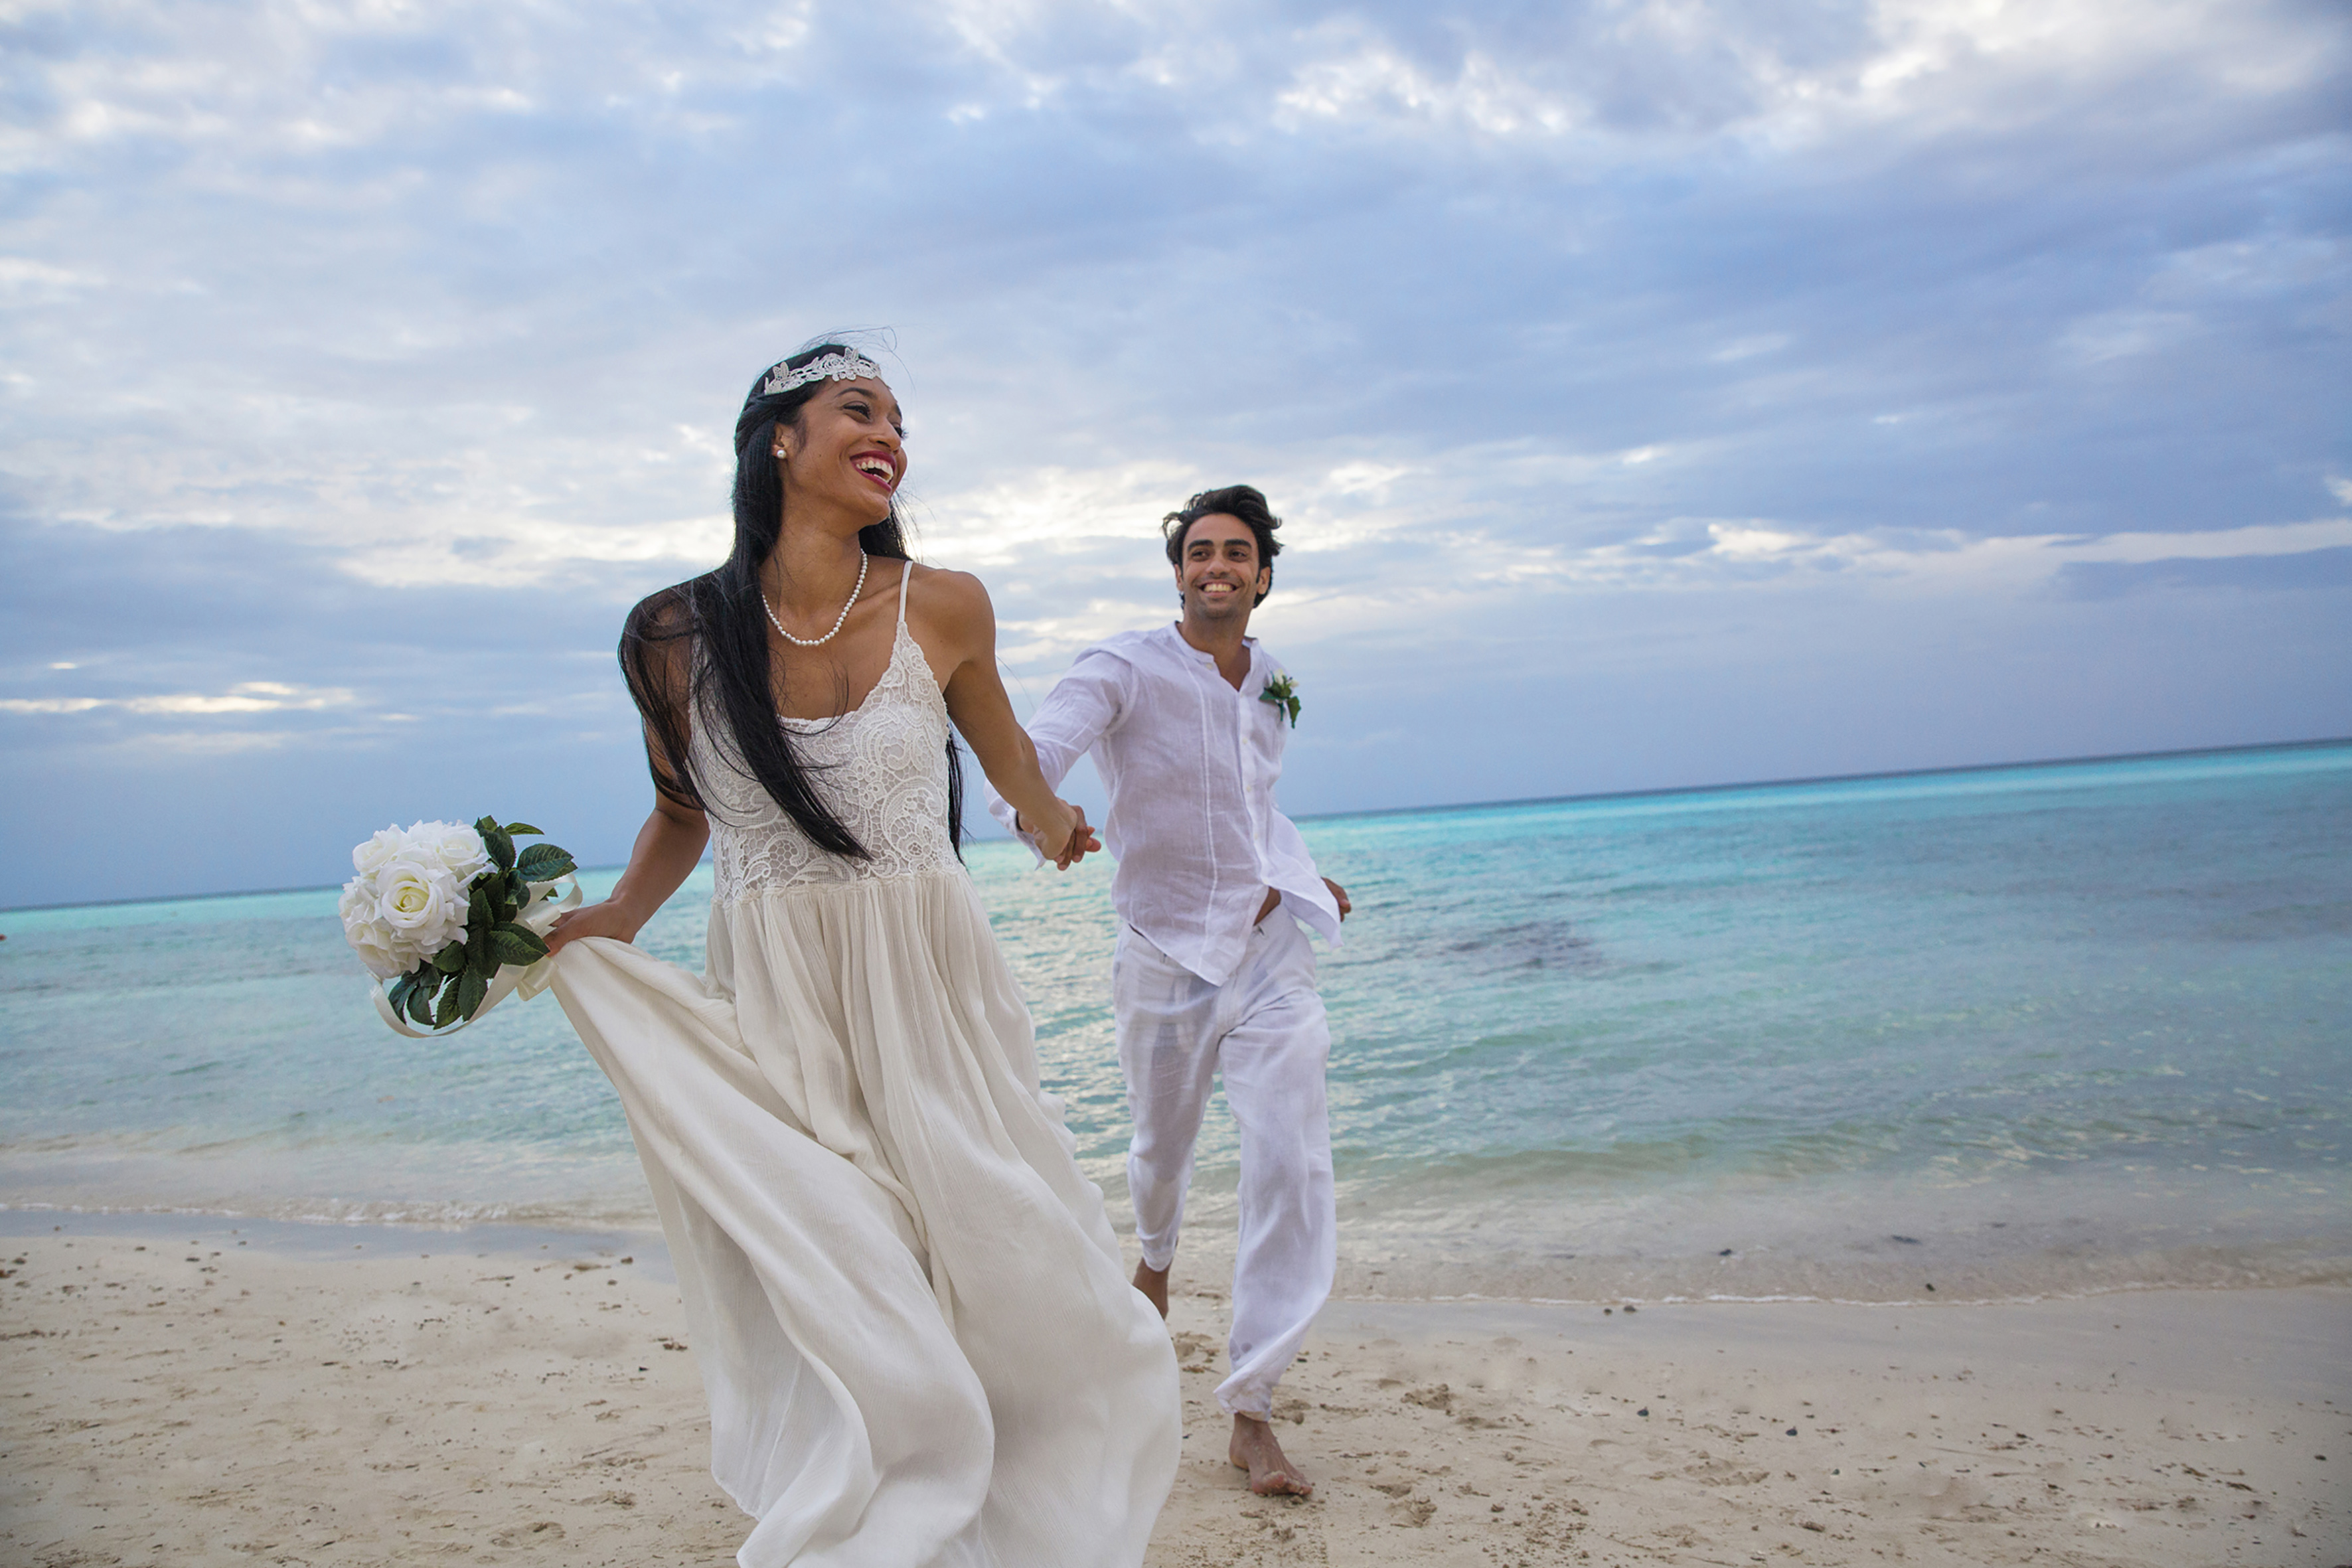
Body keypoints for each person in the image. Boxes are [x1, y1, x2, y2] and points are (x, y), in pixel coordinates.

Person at [540, 343, 1180, 1567]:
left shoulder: (946, 604)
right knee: (857, 1265)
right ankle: (902, 1503)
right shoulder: (670, 634)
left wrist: (1054, 823)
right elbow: (681, 811)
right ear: (779, 437)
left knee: (1008, 1253)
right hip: (779, 1004)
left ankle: (1031, 1505)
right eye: (859, 410)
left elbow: (1004, 756)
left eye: (899, 419)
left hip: (935, 997)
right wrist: (616, 916)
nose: (890, 435)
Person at [987, 485, 1348, 1498]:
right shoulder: (1123, 667)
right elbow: (1031, 757)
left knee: (1292, 1161)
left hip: (1270, 951)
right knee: (1159, 1154)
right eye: (1199, 552)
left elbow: (1256, 809)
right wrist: (1045, 815)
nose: (1215, 565)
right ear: (1179, 573)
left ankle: (1252, 1405)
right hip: (1163, 955)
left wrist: (1303, 877)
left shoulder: (1270, 679)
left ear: (1262, 576)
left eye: (1235, 552)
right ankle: (1153, 1259)